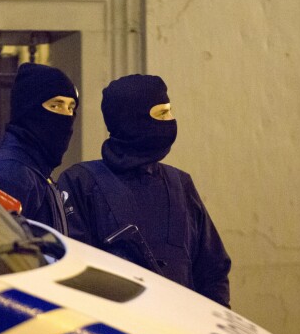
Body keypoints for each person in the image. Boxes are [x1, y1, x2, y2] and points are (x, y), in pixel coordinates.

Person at [58, 74, 231, 306]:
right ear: (132, 121)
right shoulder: (82, 183)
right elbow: (73, 272)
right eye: (161, 113)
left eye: (169, 111)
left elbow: (213, 270)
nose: (170, 121)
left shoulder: (180, 183)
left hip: (182, 332)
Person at [0, 63, 78, 233]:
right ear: (29, 109)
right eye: (55, 105)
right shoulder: (9, 173)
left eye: (71, 107)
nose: (67, 115)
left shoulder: (34, 171)